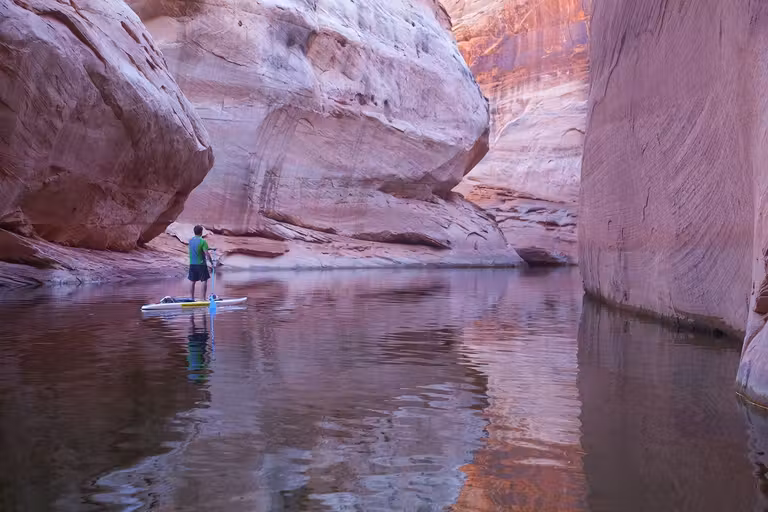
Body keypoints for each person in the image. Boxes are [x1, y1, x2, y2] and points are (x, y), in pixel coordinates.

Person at [188, 225, 214, 300]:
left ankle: (191, 298)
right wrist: (211, 263)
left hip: (192, 264)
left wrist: (210, 248)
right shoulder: (203, 241)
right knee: (204, 280)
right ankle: (203, 299)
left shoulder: (190, 240)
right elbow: (206, 253)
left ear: (194, 232)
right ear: (201, 232)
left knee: (192, 281)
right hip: (201, 264)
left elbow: (196, 248)